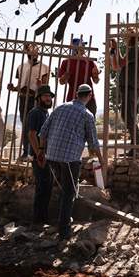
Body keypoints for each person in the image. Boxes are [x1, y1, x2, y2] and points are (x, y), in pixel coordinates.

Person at [38, 84, 106, 239]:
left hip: (52, 157)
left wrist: (42, 151)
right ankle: (64, 230)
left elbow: (43, 132)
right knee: (69, 192)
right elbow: (93, 143)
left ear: (76, 94)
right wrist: (102, 161)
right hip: (68, 159)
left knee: (64, 188)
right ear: (89, 96)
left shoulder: (60, 107)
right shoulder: (87, 114)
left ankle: (62, 220)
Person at [7, 43, 50, 162]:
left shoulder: (44, 67)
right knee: (26, 125)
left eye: (35, 49)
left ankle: (38, 152)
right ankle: (27, 152)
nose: (32, 52)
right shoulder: (20, 67)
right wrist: (13, 88)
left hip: (36, 99)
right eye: (29, 50)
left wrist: (39, 86)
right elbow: (20, 85)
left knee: (38, 126)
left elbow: (46, 85)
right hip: (23, 98)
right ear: (26, 51)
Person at [109, 29, 139, 158]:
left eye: (128, 34)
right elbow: (116, 66)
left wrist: (116, 47)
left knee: (128, 115)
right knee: (127, 115)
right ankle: (135, 145)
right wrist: (113, 50)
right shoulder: (132, 50)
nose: (125, 36)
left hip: (132, 86)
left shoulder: (136, 49)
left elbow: (120, 63)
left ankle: (138, 145)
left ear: (133, 36)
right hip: (128, 86)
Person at [27, 85, 55, 227]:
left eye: (49, 96)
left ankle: (43, 219)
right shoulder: (35, 113)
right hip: (39, 156)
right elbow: (31, 134)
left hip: (46, 155)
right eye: (45, 96)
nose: (48, 98)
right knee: (42, 188)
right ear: (38, 98)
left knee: (47, 187)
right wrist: (39, 153)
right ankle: (38, 221)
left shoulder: (46, 113)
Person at [58, 37, 100, 117]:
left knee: (89, 125)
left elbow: (96, 81)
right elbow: (61, 82)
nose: (84, 47)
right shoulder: (66, 62)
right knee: (71, 124)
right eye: (82, 45)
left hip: (89, 99)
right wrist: (65, 77)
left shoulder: (89, 61)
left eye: (84, 45)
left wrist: (95, 76)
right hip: (73, 98)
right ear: (75, 48)